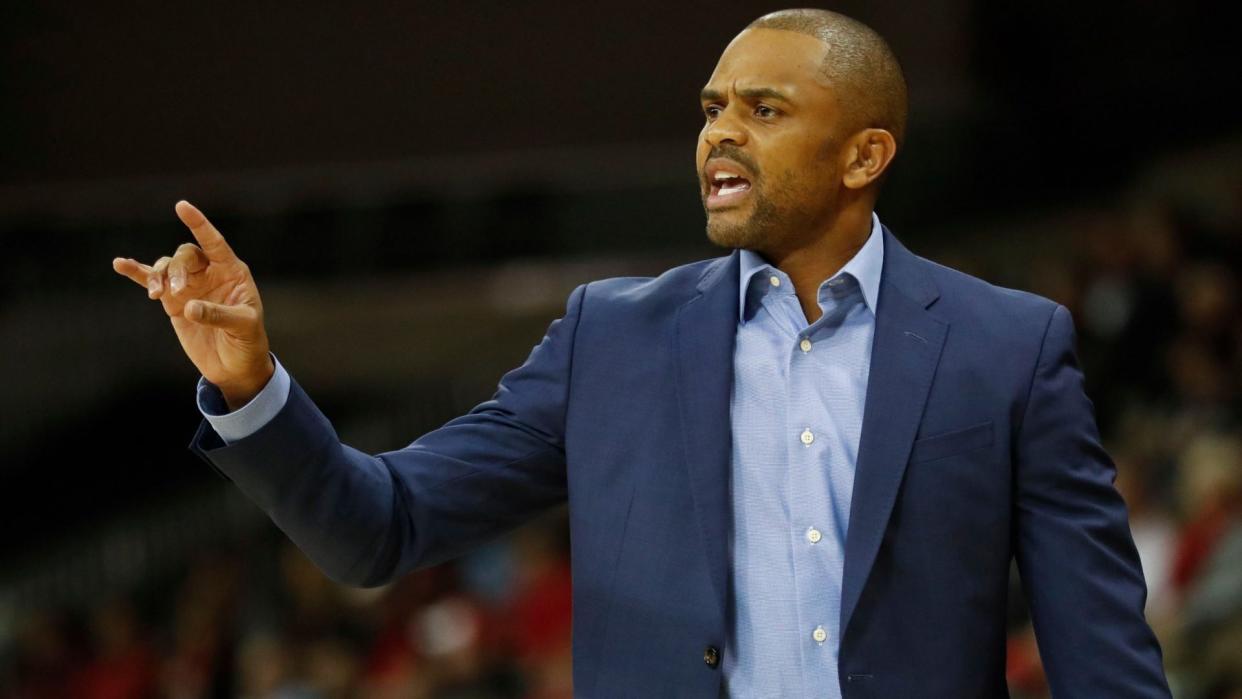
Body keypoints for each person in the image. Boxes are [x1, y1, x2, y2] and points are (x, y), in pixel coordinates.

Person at [113, 9, 1171, 698]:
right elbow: (376, 529)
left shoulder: (1009, 346)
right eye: (712, 110)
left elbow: (1101, 658)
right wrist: (249, 387)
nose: (720, 134)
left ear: (865, 154)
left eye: (765, 111)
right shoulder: (609, 337)